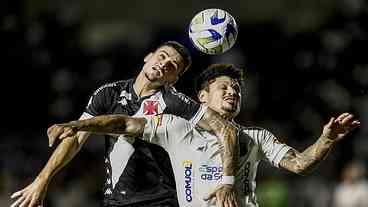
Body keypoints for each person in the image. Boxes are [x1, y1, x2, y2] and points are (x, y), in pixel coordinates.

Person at [47, 64, 361, 206]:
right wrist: (78, 125)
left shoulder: (256, 136)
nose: (233, 92)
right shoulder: (175, 127)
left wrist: (327, 140)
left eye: (237, 89)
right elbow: (124, 123)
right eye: (224, 87)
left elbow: (300, 164)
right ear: (201, 97)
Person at [10, 42, 239, 207]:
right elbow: (75, 139)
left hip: (158, 201)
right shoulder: (108, 93)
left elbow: (226, 129)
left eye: (172, 66)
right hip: (115, 200)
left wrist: (227, 181)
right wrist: (42, 180)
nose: (164, 64)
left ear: (173, 79)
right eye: (162, 56)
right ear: (148, 56)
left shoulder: (174, 102)